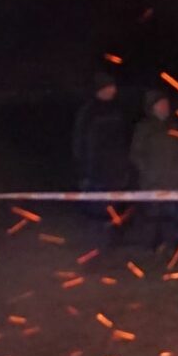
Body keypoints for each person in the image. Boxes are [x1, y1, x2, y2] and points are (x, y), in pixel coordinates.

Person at [128, 91, 178, 251]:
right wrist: (148, 172)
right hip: (152, 181)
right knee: (152, 216)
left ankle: (168, 246)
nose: (166, 107)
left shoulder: (174, 127)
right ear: (153, 107)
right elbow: (136, 153)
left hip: (172, 182)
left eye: (167, 103)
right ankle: (150, 246)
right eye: (162, 103)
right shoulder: (144, 128)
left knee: (169, 216)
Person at [72, 73, 130, 237]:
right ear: (101, 88)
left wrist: (124, 168)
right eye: (110, 86)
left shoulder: (117, 111)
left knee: (113, 212)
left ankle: (109, 246)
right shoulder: (88, 112)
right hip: (95, 174)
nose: (115, 90)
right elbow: (80, 144)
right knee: (96, 213)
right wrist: (83, 172)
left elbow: (123, 142)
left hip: (116, 173)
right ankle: (94, 249)